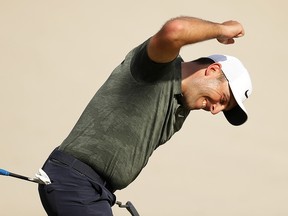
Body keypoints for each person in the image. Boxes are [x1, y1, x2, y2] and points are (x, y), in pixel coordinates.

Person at [38, 16, 252, 215]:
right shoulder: (158, 69)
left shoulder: (182, 106)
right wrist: (221, 29)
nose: (215, 110)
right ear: (212, 70)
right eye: (222, 99)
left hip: (96, 191)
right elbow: (174, 30)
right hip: (74, 180)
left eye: (223, 108)